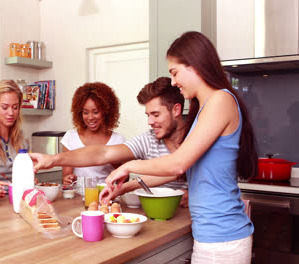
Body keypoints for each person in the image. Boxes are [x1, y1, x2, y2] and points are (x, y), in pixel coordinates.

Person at [104, 31, 257, 263]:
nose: (174, 81)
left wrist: (127, 167)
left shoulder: (220, 100)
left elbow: (177, 164)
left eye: (175, 73)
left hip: (221, 240)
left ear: (195, 65)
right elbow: (182, 168)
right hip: (214, 237)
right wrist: (126, 188)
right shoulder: (204, 109)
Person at [29, 77, 188, 205]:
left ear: (176, 110)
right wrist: (52, 159)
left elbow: (178, 167)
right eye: (148, 115)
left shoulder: (197, 138)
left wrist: (195, 196)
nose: (150, 122)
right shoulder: (149, 138)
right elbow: (102, 153)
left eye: (156, 114)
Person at [61, 82, 125, 195]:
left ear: (106, 111)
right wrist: (68, 179)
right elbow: (66, 176)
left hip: (106, 196)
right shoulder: (70, 137)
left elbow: (125, 178)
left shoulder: (118, 141)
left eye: (96, 112)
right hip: (78, 198)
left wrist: (115, 163)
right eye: (85, 112)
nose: (90, 117)